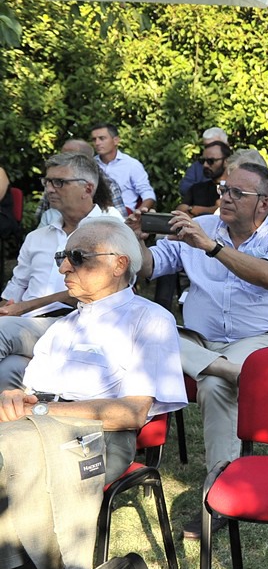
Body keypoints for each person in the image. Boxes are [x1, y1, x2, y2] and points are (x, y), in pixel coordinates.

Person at [0, 217, 184, 569]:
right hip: (38, 425)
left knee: (5, 452)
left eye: (78, 257)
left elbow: (132, 413)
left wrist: (39, 411)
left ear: (119, 264)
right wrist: (14, 399)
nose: (64, 267)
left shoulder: (150, 320)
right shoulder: (64, 326)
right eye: (62, 256)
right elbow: (32, 392)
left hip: (99, 438)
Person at [135, 162, 268, 539]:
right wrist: (137, 241)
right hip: (198, 338)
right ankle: (223, 369)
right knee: (145, 327)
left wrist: (211, 247)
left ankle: (219, 497)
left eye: (236, 193)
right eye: (224, 189)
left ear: (263, 204)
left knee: (213, 385)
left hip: (258, 339)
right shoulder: (202, 226)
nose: (224, 197)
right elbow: (151, 267)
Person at [0, 153, 124, 389]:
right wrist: (6, 308)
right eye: (47, 181)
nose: (49, 189)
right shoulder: (37, 237)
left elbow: (104, 293)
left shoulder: (110, 231)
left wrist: (25, 307)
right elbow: (15, 288)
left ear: (87, 188)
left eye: (59, 182)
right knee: (8, 368)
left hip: (82, 325)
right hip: (26, 327)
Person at [36, 139, 125, 226]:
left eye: (70, 157)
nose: (50, 189)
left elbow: (124, 223)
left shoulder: (110, 215)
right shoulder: (49, 215)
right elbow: (39, 217)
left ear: (88, 189)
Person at [90, 122, 155, 213]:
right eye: (94, 139)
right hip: (94, 214)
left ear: (116, 140)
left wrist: (137, 215)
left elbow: (148, 194)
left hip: (124, 215)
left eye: (102, 138)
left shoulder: (131, 165)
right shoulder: (90, 164)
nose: (97, 143)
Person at [175, 140, 231, 216]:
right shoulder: (197, 188)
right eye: (202, 161)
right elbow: (180, 210)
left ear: (226, 161)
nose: (205, 165)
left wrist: (198, 210)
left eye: (210, 161)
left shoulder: (235, 189)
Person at [177, 127, 230, 203]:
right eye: (206, 146)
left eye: (215, 145)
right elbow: (184, 188)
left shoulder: (238, 166)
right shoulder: (197, 167)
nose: (205, 165)